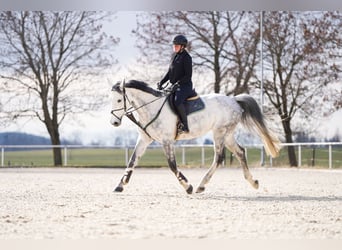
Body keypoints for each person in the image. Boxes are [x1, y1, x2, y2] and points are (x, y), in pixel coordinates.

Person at [157, 34, 196, 134]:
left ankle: (185, 125)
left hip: (185, 86)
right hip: (175, 86)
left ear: (182, 47)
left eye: (177, 46)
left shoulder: (187, 58)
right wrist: (162, 82)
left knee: (177, 101)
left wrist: (177, 84)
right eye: (174, 46)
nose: (175, 47)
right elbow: (170, 72)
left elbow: (188, 75)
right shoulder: (174, 56)